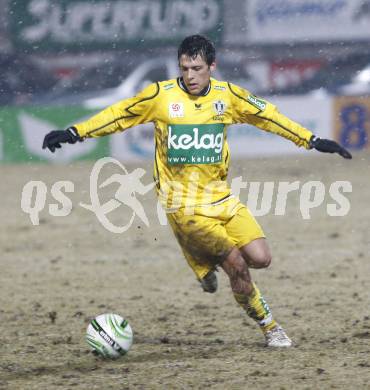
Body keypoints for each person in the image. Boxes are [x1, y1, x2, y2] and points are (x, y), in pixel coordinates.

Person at [43, 35, 351, 348]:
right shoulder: (160, 96)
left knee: (261, 258)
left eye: (197, 68)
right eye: (185, 68)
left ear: (212, 67)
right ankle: (271, 328)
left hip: (221, 198)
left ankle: (199, 259)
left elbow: (268, 116)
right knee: (237, 266)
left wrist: (310, 140)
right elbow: (119, 114)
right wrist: (74, 132)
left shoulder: (227, 96)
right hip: (183, 206)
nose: (190, 75)